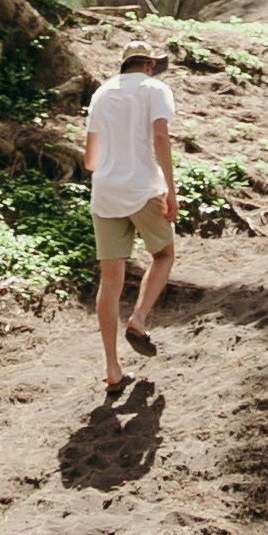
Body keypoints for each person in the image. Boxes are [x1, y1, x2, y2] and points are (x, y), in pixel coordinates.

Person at [82, 33, 179, 387]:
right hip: (143, 190)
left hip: (105, 194)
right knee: (164, 255)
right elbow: (160, 139)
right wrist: (171, 188)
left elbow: (90, 159)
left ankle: (112, 370)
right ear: (150, 65)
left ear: (123, 65)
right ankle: (138, 319)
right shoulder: (155, 90)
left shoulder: (101, 93)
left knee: (110, 282)